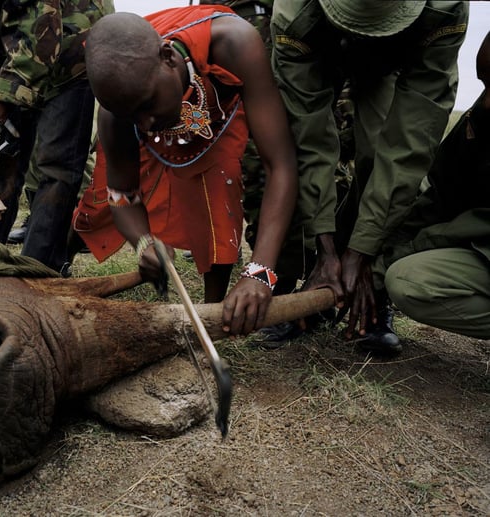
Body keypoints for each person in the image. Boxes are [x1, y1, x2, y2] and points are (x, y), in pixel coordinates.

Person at [72, 5, 298, 337]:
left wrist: (260, 273)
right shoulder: (119, 111)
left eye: (148, 104)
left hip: (217, 114)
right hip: (160, 140)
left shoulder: (235, 44)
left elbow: (281, 165)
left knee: (218, 187)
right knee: (102, 208)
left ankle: (214, 309)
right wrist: (143, 244)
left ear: (168, 57)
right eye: (131, 115)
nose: (145, 123)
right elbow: (121, 195)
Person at [271, 0, 468, 353]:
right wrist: (327, 247)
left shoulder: (444, 8)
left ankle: (370, 287)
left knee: (378, 151)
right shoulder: (294, 13)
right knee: (290, 150)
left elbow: (410, 141)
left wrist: (361, 250)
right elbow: (309, 138)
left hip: (394, 61)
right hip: (318, 47)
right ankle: (311, 275)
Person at [0, 0, 114, 276]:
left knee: (56, 167)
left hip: (71, 44)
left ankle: (39, 268)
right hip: (17, 50)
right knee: (3, 157)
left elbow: (39, 37)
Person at [378, 31, 490, 340]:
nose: (488, 101)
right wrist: (374, 259)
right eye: (485, 85)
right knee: (408, 280)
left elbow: (470, 226)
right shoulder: (481, 119)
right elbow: (441, 194)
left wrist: (388, 259)